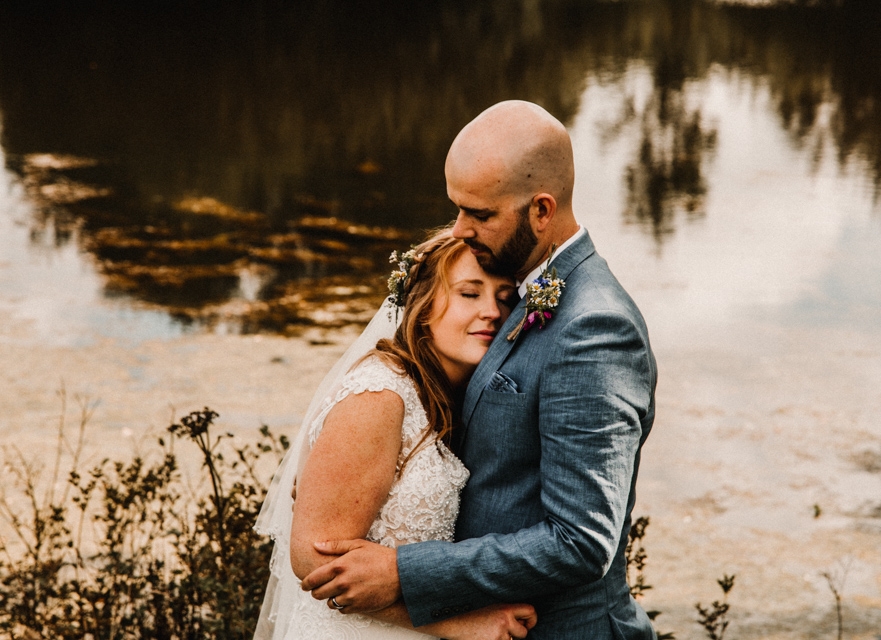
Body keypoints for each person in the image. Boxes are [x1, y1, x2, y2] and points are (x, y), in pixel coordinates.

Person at [300, 100, 658, 638]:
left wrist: (402, 572)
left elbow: (581, 541)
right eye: (458, 208)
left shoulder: (595, 326)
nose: (460, 230)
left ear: (542, 210)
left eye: (481, 214)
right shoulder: (514, 281)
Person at [253, 227, 538, 640]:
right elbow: (315, 561)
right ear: (423, 307)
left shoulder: (445, 400)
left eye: (505, 298)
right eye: (469, 293)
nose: (493, 311)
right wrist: (459, 623)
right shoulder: (381, 394)